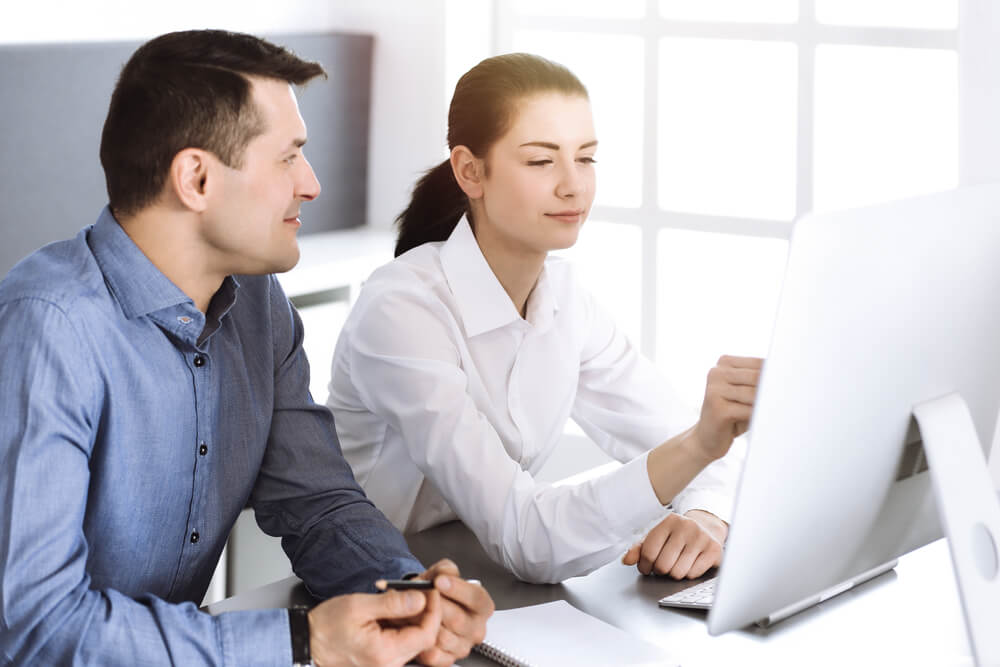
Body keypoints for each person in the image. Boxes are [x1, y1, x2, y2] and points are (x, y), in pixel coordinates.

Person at [0, 30, 492, 667]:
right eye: (288, 157)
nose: (310, 184)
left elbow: (318, 503)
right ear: (197, 179)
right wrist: (302, 642)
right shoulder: (46, 331)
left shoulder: (259, 305)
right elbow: (36, 628)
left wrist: (409, 598)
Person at [326, 52, 762, 585]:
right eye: (541, 161)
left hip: (476, 576)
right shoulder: (402, 309)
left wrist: (706, 516)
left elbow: (689, 440)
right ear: (470, 171)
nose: (573, 186)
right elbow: (527, 538)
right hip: (369, 590)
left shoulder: (566, 299)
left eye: (586, 159)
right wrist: (697, 447)